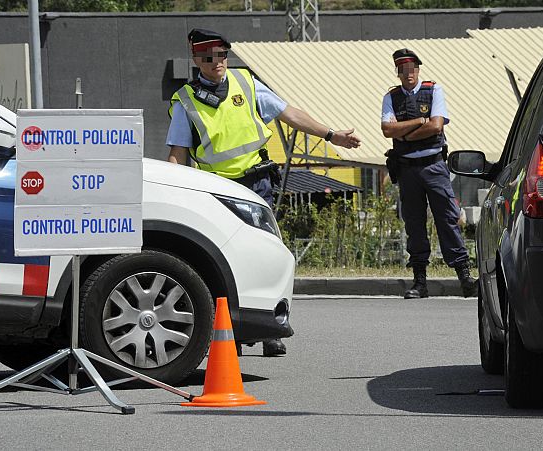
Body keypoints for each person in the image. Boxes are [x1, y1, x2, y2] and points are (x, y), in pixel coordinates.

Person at [167, 28, 361, 355]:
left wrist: (330, 135)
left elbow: (290, 113)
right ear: (196, 59)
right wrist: (174, 192)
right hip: (216, 191)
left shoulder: (246, 82)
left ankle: (272, 327)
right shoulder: (185, 101)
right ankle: (232, 331)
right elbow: (177, 153)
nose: (218, 62)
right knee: (223, 257)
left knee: (266, 253)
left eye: (222, 55)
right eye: (209, 57)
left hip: (257, 184)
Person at [381, 48, 477, 299]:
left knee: (448, 219)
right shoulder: (391, 97)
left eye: (411, 68)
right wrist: (419, 123)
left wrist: (406, 132)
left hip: (433, 165)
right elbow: (387, 130)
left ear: (417, 69)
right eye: (402, 69)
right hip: (407, 170)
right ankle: (420, 282)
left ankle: (465, 278)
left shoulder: (433, 90)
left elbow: (436, 125)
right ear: (398, 72)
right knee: (414, 224)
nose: (407, 74)